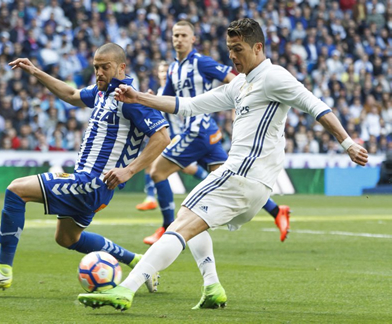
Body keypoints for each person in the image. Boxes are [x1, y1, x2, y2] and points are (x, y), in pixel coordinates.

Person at [77, 18, 368, 311]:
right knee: (189, 217)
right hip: (255, 185)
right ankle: (212, 286)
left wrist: (348, 143)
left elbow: (316, 106)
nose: (232, 56)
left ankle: (126, 290)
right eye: (229, 48)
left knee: (179, 226)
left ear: (258, 47)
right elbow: (189, 105)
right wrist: (138, 96)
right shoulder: (241, 84)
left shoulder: (275, 77)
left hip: (240, 174)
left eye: (238, 49)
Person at [0, 43, 171, 292]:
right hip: (92, 186)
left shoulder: (128, 98)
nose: (99, 73)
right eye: (96, 67)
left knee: (16, 190)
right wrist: (36, 71)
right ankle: (140, 263)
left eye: (105, 67)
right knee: (66, 238)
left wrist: (129, 170)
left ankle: (2, 269)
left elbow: (162, 137)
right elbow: (71, 95)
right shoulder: (102, 92)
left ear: (121, 67)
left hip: (91, 183)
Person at [140, 20, 290, 246]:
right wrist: (152, 97)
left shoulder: (201, 62)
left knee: (157, 172)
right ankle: (277, 210)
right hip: (205, 135)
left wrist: (243, 103)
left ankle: (167, 227)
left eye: (183, 35)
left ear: (193, 39)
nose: (179, 39)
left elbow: (235, 79)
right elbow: (168, 97)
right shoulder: (173, 68)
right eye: (175, 35)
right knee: (233, 181)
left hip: (197, 131)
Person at [136, 61, 210, 212]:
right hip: (164, 136)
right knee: (183, 168)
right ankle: (150, 198)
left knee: (155, 162)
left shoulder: (174, 91)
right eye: (161, 71)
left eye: (166, 71)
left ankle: (210, 184)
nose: (163, 74)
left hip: (175, 135)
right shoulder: (160, 91)